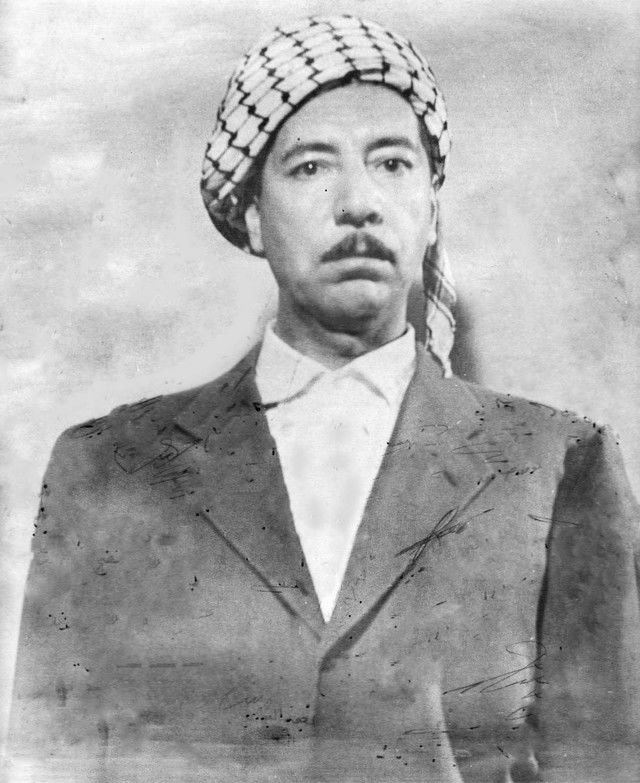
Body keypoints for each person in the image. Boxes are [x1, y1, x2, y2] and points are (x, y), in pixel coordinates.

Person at [6, 14, 640, 783]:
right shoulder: (107, 470)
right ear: (251, 214)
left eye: (393, 163)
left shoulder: (559, 466)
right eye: (310, 167)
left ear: (431, 208)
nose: (359, 203)